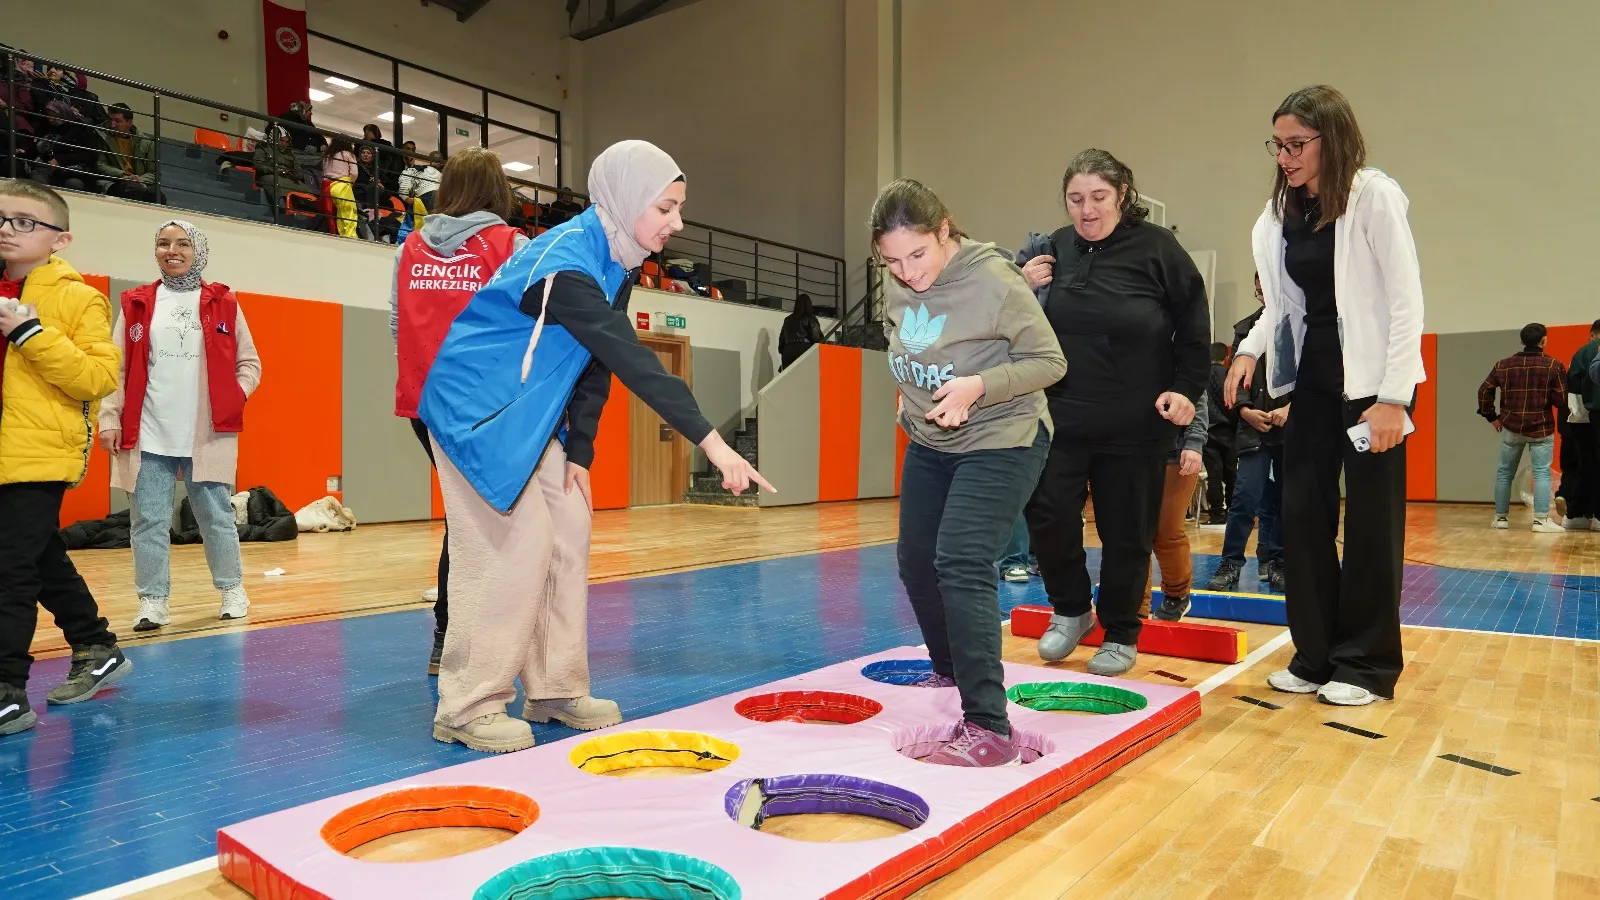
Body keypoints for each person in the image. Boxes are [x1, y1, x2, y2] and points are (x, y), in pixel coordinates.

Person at [420, 140, 772, 753]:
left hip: (530, 421)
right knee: (513, 545)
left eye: (679, 208)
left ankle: (555, 688)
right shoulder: (564, 264)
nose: (677, 224)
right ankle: (467, 703)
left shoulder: (617, 262)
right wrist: (715, 446)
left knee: (570, 531)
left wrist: (579, 452)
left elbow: (593, 366)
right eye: (665, 208)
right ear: (627, 200)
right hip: (473, 416)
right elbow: (631, 358)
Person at [1225, 85, 1426, 707]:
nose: (1284, 156)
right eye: (1278, 145)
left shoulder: (1373, 197)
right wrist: (1249, 350)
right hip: (1310, 385)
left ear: (1331, 138)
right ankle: (1314, 655)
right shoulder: (1277, 215)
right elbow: (1284, 307)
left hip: (1372, 390)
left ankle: (1364, 666)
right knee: (1304, 519)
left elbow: (1405, 299)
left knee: (1371, 528)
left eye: (1296, 144)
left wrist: (1394, 396)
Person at [875, 178, 1064, 766]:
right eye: (892, 260)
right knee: (915, 559)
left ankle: (989, 726)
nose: (907, 271)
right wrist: (905, 392)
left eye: (918, 254)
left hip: (1003, 434)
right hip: (931, 437)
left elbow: (1050, 362)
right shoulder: (897, 278)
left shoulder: (994, 280)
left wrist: (980, 385)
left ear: (945, 230)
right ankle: (950, 670)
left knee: (961, 559)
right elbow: (900, 338)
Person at [1019, 149, 1209, 677]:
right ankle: (1073, 608)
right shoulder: (1051, 249)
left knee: (1127, 532)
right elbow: (1013, 325)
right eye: (1076, 199)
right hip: (1061, 419)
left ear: (1123, 195)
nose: (1087, 209)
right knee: (1047, 513)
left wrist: (1187, 390)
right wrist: (1024, 286)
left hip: (1135, 422)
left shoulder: (1159, 250)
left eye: (1098, 197)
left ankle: (1122, 630)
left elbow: (1194, 328)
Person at [391, 147, 530, 675]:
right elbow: (526, 330)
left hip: (425, 404)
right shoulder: (511, 245)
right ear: (499, 191)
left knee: (467, 518)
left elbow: (396, 326)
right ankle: (461, 636)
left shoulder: (408, 250)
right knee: (484, 522)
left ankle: (452, 635)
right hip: (486, 407)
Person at [0, 179, 131, 736]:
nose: (8, 229)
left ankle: (7, 690)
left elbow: (98, 377)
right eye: (1, 219)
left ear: (61, 239)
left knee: (9, 571)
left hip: (37, 453)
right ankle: (95, 644)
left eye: (24, 222)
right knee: (39, 556)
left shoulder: (79, 298)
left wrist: (30, 331)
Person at [99, 220, 263, 631]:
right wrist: (109, 417)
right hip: (148, 431)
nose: (172, 250)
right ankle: (153, 601)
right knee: (147, 521)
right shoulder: (136, 302)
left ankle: (231, 590)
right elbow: (115, 368)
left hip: (205, 434)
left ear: (198, 250)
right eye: (163, 243)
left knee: (216, 517)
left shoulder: (224, 302)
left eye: (182, 243)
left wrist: (233, 396)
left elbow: (250, 364)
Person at [1210, 274, 1290, 593]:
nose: (1263, 291)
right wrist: (1244, 410)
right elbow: (1234, 384)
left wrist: (1290, 409)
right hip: (1252, 430)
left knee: (1284, 499)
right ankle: (1231, 562)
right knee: (1245, 497)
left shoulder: (1300, 327)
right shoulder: (1245, 330)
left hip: (1289, 429)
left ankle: (1277, 562)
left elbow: (1314, 377)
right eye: (1258, 286)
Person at [1477, 323, 1566, 532]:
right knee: (1542, 473)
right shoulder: (1554, 365)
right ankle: (1541, 520)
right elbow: (1561, 400)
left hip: (1511, 427)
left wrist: (1492, 417)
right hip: (1541, 428)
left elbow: (1484, 391)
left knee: (1504, 473)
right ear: (1544, 340)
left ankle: (1500, 518)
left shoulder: (1503, 365)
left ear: (1521, 341)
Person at [1145, 393, 1209, 620]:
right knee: (1133, 534)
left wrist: (1194, 442)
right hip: (1130, 450)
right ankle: (1136, 607)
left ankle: (1177, 595)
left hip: (1176, 450)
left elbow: (1197, 393)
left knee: (1166, 530)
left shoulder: (1179, 358)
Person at [1561, 320, 1600, 529]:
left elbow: (1573, 386)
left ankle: (1575, 515)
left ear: (1593, 334)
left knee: (1584, 465)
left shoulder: (1582, 352)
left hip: (1581, 418)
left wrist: (1577, 416)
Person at [1201, 340, 1235, 524]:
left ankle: (1216, 514)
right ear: (1226, 356)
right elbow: (1231, 401)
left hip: (1207, 428)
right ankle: (1233, 511)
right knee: (1231, 473)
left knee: (1214, 474)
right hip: (1228, 429)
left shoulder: (1201, 375)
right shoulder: (1228, 374)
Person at [97, 103, 159, 203]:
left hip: (139, 182)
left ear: (129, 123)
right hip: (114, 181)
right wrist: (123, 175)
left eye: (117, 121)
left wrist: (139, 179)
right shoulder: (102, 136)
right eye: (110, 119)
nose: (112, 125)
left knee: (158, 195)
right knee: (133, 188)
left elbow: (154, 172)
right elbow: (100, 165)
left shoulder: (147, 143)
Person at [323, 138, 361, 239]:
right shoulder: (348, 154)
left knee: (333, 215)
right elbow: (354, 173)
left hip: (327, 186)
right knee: (348, 213)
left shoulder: (328, 155)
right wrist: (350, 183)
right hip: (342, 185)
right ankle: (350, 238)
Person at [778, 293, 824, 369]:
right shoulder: (810, 319)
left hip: (788, 352)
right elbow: (816, 338)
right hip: (804, 350)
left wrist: (785, 351)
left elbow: (781, 343)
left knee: (790, 378)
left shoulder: (787, 320)